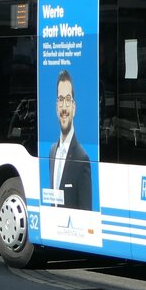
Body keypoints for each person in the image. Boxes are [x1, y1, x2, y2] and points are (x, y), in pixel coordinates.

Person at [47, 69, 92, 209]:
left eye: (68, 99)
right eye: (61, 100)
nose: (64, 107)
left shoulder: (82, 158)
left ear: (74, 107)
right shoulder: (52, 152)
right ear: (56, 107)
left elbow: (86, 211)